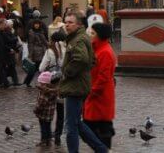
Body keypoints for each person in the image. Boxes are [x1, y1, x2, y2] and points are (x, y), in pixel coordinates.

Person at [60, 11, 107, 153]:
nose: (67, 25)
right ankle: (101, 149)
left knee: (70, 126)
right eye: (66, 22)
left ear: (79, 24)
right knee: (76, 123)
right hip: (79, 84)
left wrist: (68, 72)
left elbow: (82, 59)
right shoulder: (79, 37)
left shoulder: (78, 39)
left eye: (70, 22)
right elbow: (91, 60)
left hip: (75, 87)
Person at [84, 22, 117, 148]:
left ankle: (104, 150)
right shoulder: (97, 49)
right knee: (97, 129)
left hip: (100, 97)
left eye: (93, 33)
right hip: (96, 96)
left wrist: (91, 92)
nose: (90, 35)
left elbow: (103, 78)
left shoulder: (105, 52)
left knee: (100, 130)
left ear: (99, 36)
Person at [39, 30, 67, 146]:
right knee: (60, 113)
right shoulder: (67, 50)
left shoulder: (50, 51)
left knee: (47, 112)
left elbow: (41, 68)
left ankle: (46, 137)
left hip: (50, 85)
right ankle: (57, 137)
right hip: (62, 85)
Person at [34, 71, 59, 147]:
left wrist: (36, 110)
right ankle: (48, 140)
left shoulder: (44, 92)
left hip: (43, 113)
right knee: (48, 126)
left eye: (41, 83)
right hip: (50, 113)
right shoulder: (54, 90)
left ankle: (43, 140)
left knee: (43, 127)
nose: (40, 84)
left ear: (45, 84)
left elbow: (41, 103)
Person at [23, 19, 48, 86]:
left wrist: (49, 46)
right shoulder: (31, 32)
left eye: (38, 24)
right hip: (35, 52)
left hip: (42, 51)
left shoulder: (41, 31)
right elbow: (30, 43)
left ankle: (28, 82)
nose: (37, 25)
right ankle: (28, 82)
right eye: (35, 24)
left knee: (40, 68)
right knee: (35, 68)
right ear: (33, 25)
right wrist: (30, 54)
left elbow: (45, 41)